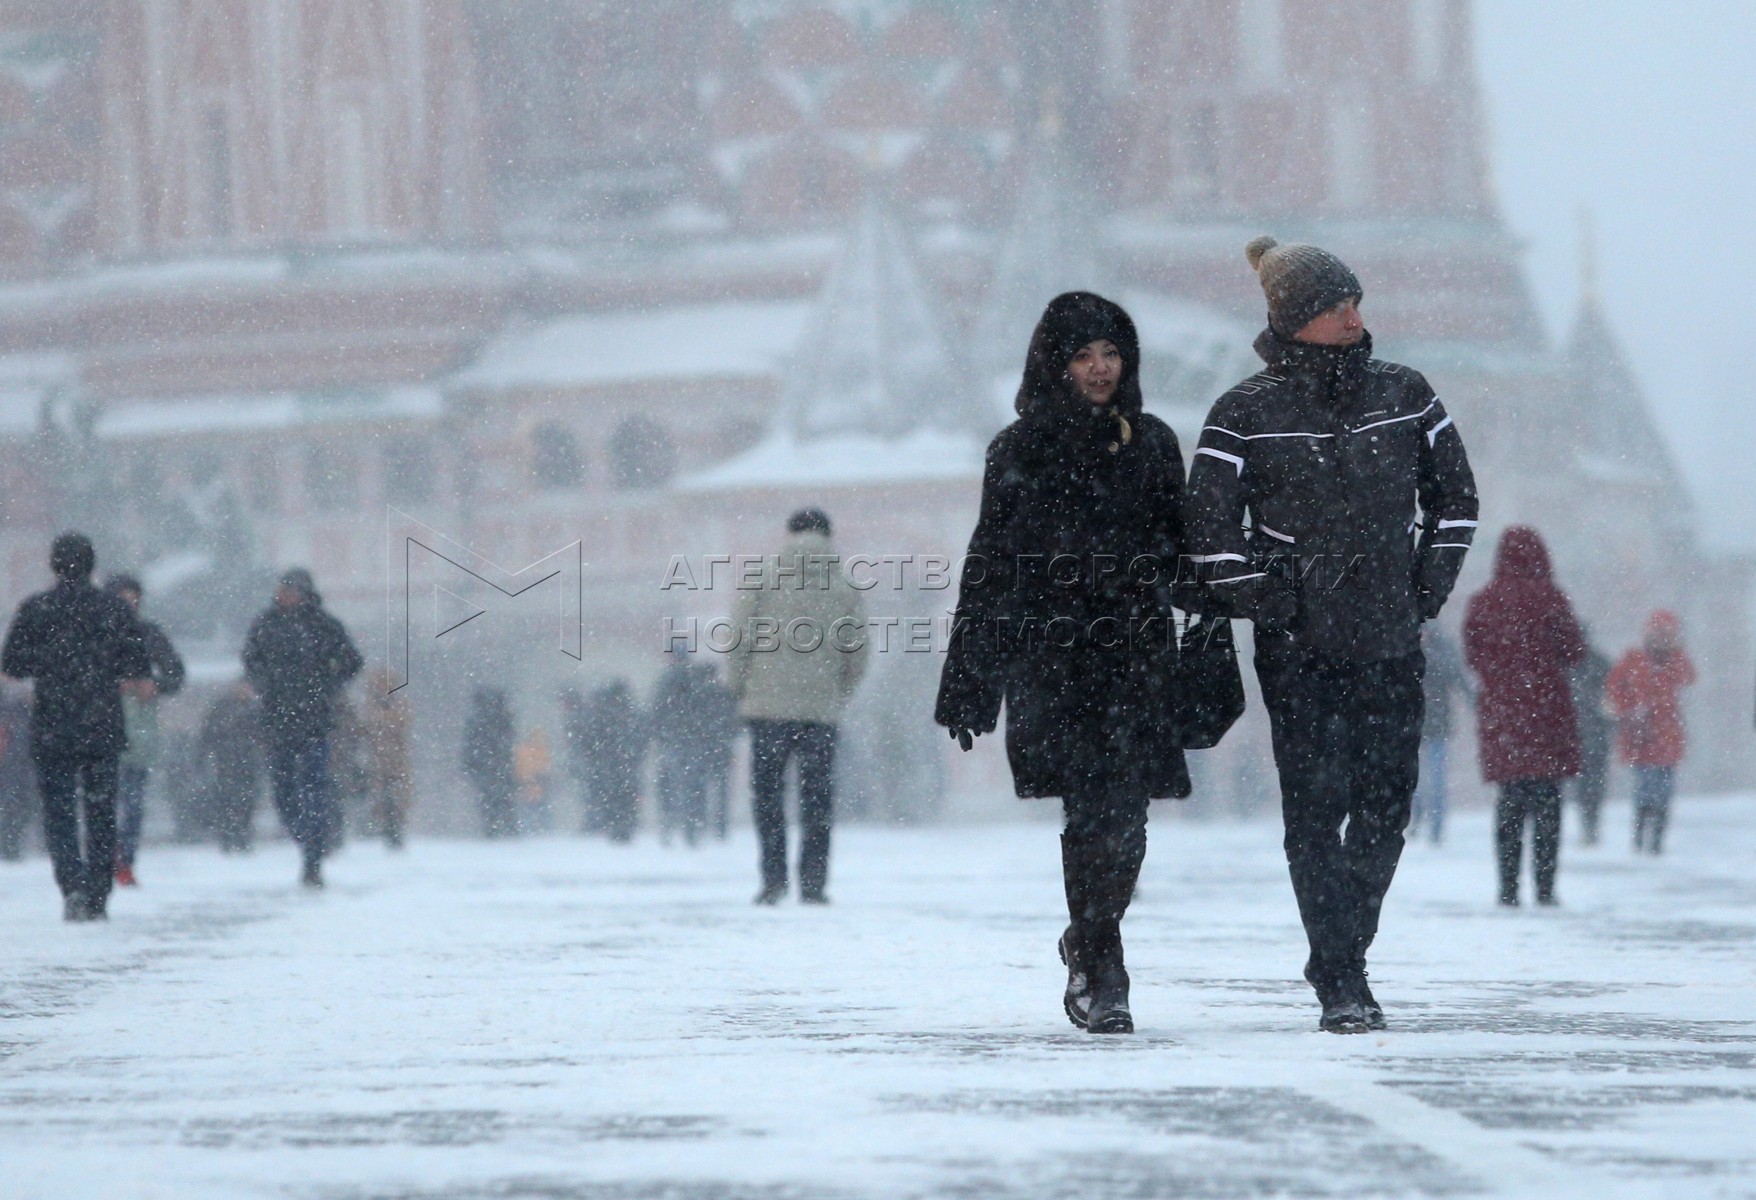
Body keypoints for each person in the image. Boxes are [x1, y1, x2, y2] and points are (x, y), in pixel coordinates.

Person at [1184, 238, 1478, 1033]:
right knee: (1315, 812)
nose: (1354, 315)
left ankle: (1340, 947)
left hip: (1390, 636)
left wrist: (1427, 586)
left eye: (1354, 301)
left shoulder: (1407, 393)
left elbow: (1457, 500)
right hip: (1299, 649)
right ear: (1293, 318)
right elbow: (1208, 527)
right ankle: (1343, 981)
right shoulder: (1244, 411)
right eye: (1334, 305)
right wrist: (1268, 600)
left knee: (1387, 808)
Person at [938, 292, 1189, 1035]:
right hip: (1053, 657)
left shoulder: (1151, 442)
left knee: (1130, 819)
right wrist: (970, 683)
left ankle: (1087, 933)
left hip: (1137, 651)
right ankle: (1103, 969)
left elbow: (1182, 549)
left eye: (1111, 354)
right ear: (1057, 363)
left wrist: (1218, 602)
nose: (1100, 368)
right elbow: (990, 566)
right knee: (1089, 816)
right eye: (1083, 356)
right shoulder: (1017, 451)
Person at [0, 533, 151, 921]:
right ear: (91, 564)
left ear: (53, 565)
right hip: (102, 722)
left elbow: (13, 663)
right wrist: (101, 667)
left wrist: (50, 663)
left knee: (59, 812)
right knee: (102, 812)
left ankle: (72, 885)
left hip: (54, 722)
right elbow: (136, 661)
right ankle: (99, 890)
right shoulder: (113, 609)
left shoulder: (37, 609)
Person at [730, 508, 869, 907]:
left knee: (768, 798)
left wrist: (741, 690)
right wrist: (838, 692)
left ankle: (773, 880)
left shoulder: (763, 577)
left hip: (766, 709)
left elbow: (738, 638)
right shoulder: (844, 584)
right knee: (817, 800)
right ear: (828, 534)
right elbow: (857, 653)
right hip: (820, 713)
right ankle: (813, 883)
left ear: (789, 534)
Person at [1462, 527, 1586, 907]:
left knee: (1510, 802)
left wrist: (1502, 680)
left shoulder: (1483, 602)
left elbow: (1473, 654)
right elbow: (1575, 651)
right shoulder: (1551, 599)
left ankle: (1508, 887)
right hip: (1548, 714)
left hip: (1504, 717)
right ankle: (1545, 888)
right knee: (1548, 802)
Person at [242, 568, 364, 888]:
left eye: (290, 590)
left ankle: (313, 855)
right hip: (278, 721)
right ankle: (308, 841)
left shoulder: (324, 626)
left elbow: (352, 660)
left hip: (314, 721)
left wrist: (326, 685)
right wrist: (267, 684)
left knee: (313, 787)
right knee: (284, 793)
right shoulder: (266, 624)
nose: (283, 595)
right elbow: (250, 660)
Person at [105, 574, 186, 887]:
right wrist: (113, 687)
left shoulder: (148, 634)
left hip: (139, 729)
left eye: (133, 598)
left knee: (133, 801)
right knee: (109, 800)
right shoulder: (98, 634)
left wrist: (154, 685)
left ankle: (124, 859)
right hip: (105, 729)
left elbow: (176, 673)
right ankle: (110, 856)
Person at [1606, 610, 1697, 855]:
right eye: (1659, 633)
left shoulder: (1675, 661)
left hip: (1667, 735)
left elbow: (1689, 678)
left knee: (1664, 788)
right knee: (1646, 786)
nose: (1663, 638)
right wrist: (1631, 709)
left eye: (1668, 634)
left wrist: (1677, 654)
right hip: (1642, 736)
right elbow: (1614, 689)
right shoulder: (1633, 660)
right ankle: (1641, 833)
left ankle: (1656, 836)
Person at [650, 647, 722, 846]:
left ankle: (668, 823)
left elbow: (657, 709)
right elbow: (708, 710)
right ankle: (693, 826)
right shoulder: (698, 678)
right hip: (695, 740)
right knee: (694, 785)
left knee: (669, 785)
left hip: (671, 739)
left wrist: (658, 733)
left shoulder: (665, 680)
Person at [1411, 624, 1470, 845]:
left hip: (1433, 725)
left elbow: (1455, 675)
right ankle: (1418, 821)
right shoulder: (1408, 642)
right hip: (1416, 724)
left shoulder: (1441, 647)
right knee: (1416, 781)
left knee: (1435, 781)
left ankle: (1435, 828)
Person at [199, 680, 264, 853]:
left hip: (248, 762)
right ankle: (227, 836)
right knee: (226, 799)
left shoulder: (256, 709)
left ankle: (243, 834)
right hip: (226, 761)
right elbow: (208, 732)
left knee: (248, 800)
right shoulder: (223, 708)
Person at [580, 680, 643, 843]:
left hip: (610, 764)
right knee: (626, 796)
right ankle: (625, 826)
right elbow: (641, 736)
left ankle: (615, 825)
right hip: (627, 763)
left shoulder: (602, 713)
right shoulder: (632, 713)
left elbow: (591, 739)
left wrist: (595, 757)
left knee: (612, 796)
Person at [358, 670, 413, 849]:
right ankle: (380, 826)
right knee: (379, 796)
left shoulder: (399, 706)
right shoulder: (370, 707)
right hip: (377, 761)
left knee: (395, 797)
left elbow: (401, 725)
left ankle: (393, 828)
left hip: (395, 761)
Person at [1569, 634, 1615, 846]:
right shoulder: (1600, 663)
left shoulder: (1565, 665)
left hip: (1581, 733)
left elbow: (1614, 697)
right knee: (1592, 782)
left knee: (1587, 782)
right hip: (1591, 732)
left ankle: (1589, 822)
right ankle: (1590, 821)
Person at [462, 688, 517, 838]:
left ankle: (492, 827)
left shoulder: (476, 720)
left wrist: (469, 764)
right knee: (504, 799)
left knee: (488, 798)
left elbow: (469, 745)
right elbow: (508, 742)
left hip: (484, 766)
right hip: (500, 766)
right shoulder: (504, 718)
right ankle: (508, 828)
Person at [0, 686, 38, 861]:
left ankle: (12, 840)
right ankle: (9, 840)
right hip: (16, 741)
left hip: (23, 742)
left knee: (20, 795)